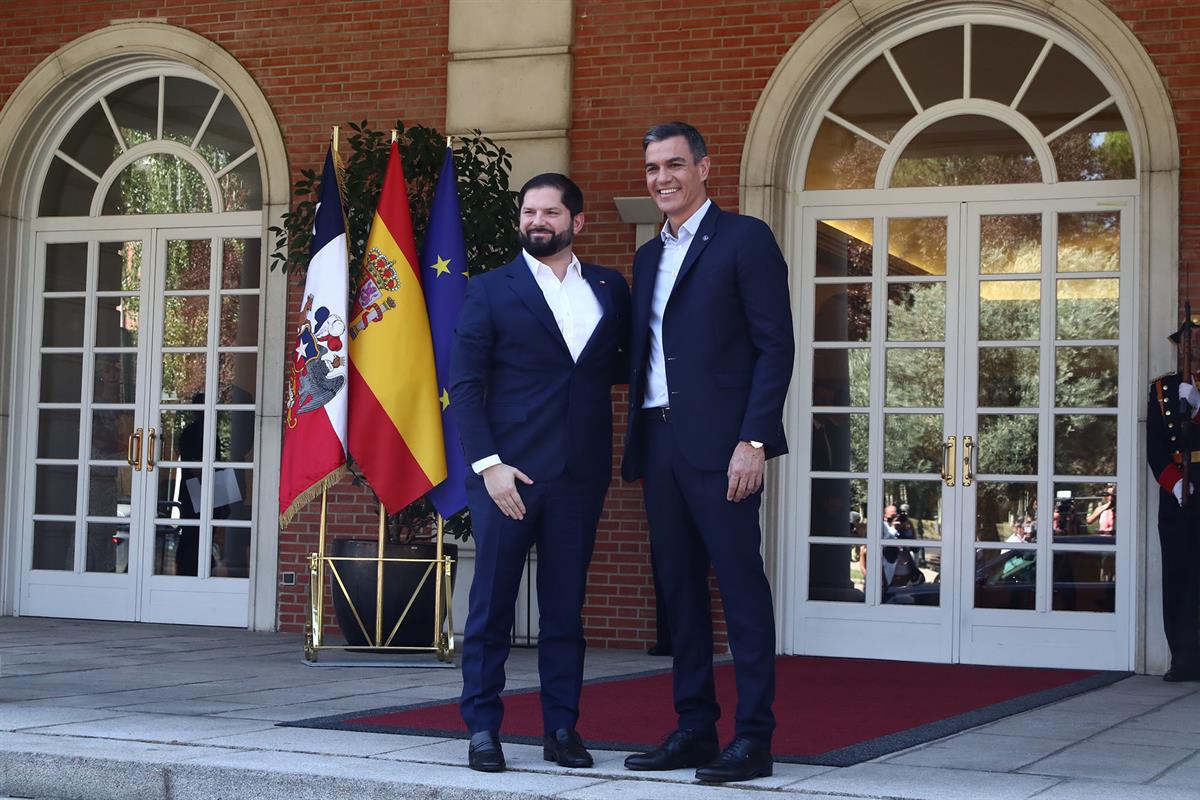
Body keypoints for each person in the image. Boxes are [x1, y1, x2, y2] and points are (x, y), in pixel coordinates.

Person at [621, 122, 794, 783]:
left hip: (724, 447)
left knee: (740, 587)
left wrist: (753, 440)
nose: (661, 178)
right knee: (679, 592)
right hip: (659, 441)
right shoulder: (646, 257)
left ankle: (753, 738)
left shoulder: (744, 240)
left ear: (703, 168)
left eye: (673, 165)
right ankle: (695, 727)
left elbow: (775, 345)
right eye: (651, 168)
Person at [451, 173, 631, 772]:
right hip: (508, 477)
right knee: (492, 608)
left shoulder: (609, 287)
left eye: (550, 212)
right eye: (529, 212)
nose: (537, 222)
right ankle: (482, 728)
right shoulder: (490, 289)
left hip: (580, 477)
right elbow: (466, 386)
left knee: (564, 611)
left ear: (576, 222)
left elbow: (620, 368)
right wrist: (489, 466)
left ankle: (562, 730)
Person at [1146, 317, 1200, 681]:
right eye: (1184, 342)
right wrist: (1175, 484)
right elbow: (1155, 445)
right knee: (1179, 576)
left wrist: (1198, 408)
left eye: (1194, 341)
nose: (1189, 347)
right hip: (1178, 492)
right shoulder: (1162, 389)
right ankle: (1183, 659)